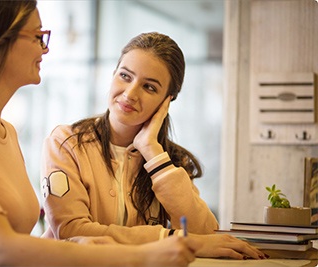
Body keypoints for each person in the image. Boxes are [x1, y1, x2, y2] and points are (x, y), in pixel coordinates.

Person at [0, 2, 203, 266]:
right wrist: (141, 254)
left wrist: (84, 245)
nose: (45, 49)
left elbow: (15, 245)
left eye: (150, 87)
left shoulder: (6, 131)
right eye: (36, 36)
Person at [41, 32, 267, 260]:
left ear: (167, 101)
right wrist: (168, 239)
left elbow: (205, 235)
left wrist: (152, 151)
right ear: (113, 75)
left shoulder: (168, 159)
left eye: (149, 87)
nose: (130, 94)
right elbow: (71, 231)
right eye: (125, 76)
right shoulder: (66, 142)